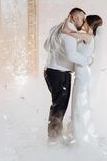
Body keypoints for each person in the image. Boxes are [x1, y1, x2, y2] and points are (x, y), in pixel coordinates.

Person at [43, 8, 94, 142]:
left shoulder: (56, 27)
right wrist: (88, 61)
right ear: (72, 17)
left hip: (49, 71)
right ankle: (54, 139)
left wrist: (59, 56)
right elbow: (72, 55)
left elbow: (45, 46)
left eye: (84, 19)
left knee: (56, 104)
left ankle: (54, 136)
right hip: (60, 74)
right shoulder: (70, 34)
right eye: (81, 18)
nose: (83, 21)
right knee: (59, 106)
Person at [62, 15, 103, 146]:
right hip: (81, 73)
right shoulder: (88, 37)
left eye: (84, 21)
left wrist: (68, 21)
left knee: (78, 106)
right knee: (77, 105)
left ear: (90, 25)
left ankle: (79, 138)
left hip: (83, 75)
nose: (82, 23)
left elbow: (68, 32)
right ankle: (76, 135)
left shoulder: (88, 37)